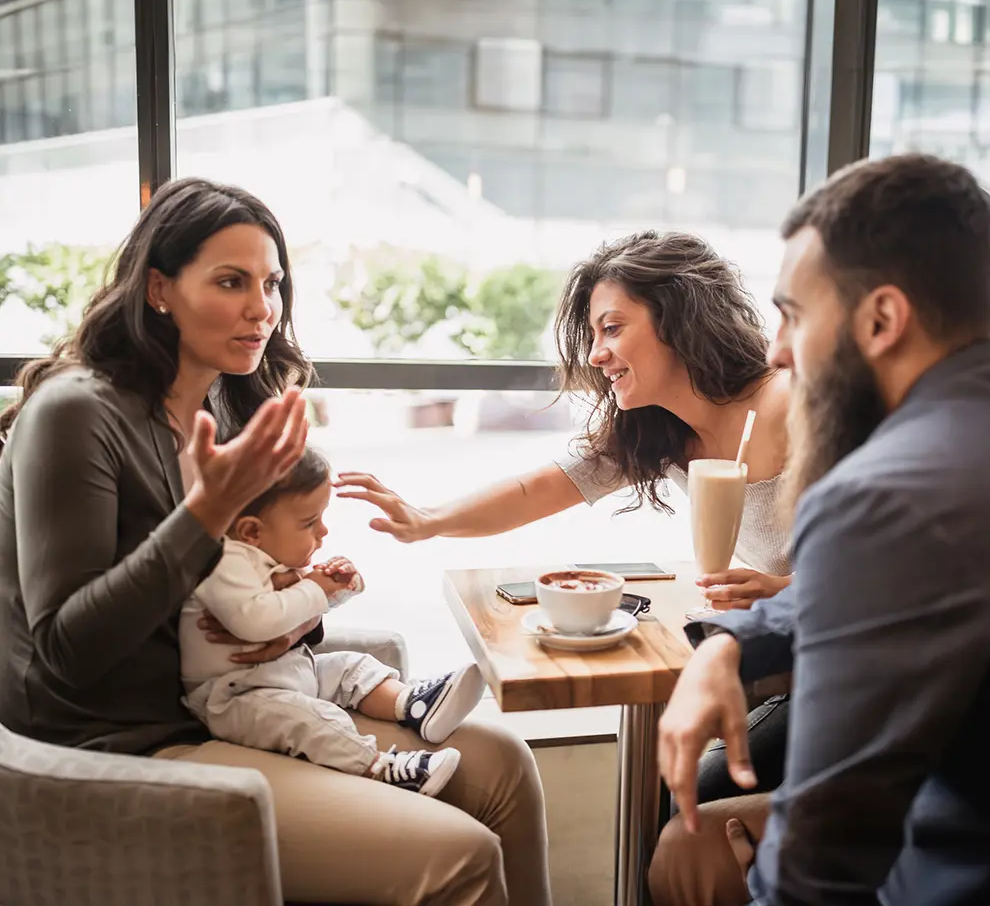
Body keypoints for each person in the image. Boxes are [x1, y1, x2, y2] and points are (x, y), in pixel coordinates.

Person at [0, 177, 551, 906]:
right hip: (123, 742)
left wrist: (298, 615)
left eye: (271, 283)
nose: (262, 309)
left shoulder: (229, 404)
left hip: (228, 699)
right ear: (159, 287)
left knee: (504, 763)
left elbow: (258, 577)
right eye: (231, 282)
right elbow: (67, 653)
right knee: (461, 857)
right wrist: (203, 516)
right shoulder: (76, 414)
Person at [337, 229, 794, 803]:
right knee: (673, 803)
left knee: (685, 807)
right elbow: (537, 489)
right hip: (779, 660)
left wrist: (789, 588)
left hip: (851, 669)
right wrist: (426, 519)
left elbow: (895, 554)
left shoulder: (790, 404)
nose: (597, 354)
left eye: (612, 328)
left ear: (679, 319)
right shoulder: (659, 431)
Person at [651, 153, 990, 906]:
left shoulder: (883, 493)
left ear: (881, 319)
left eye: (794, 316)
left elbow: (825, 856)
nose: (776, 350)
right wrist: (735, 640)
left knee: (684, 840)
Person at [180, 443, 487, 797]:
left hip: (281, 673)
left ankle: (414, 704)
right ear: (252, 531)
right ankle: (380, 766)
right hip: (235, 698)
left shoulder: (266, 553)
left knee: (349, 666)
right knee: (308, 718)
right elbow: (257, 622)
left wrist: (340, 586)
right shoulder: (223, 561)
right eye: (310, 523)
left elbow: (301, 611)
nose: (323, 532)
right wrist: (313, 586)